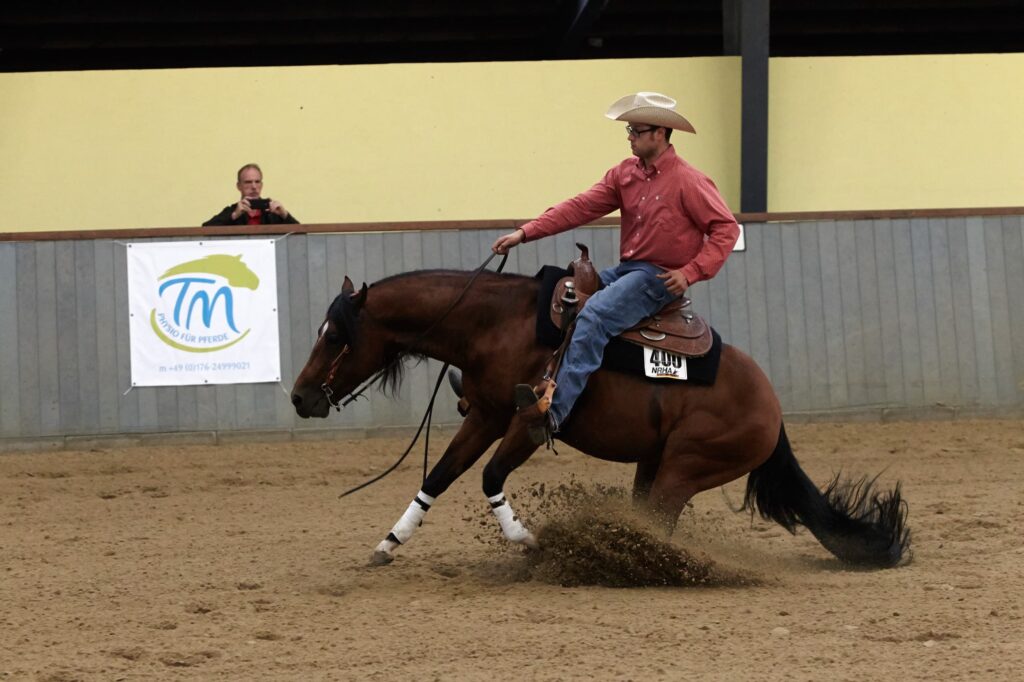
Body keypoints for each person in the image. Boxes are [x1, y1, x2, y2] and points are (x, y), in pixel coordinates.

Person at [492, 91, 740, 443]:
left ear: (660, 133)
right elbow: (580, 207)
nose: (630, 138)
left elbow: (725, 228)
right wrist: (525, 232)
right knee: (556, 291)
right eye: (629, 132)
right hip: (627, 270)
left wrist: (690, 272)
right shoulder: (624, 174)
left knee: (594, 317)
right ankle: (514, 385)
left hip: (655, 277)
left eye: (636, 132)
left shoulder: (689, 181)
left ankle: (556, 413)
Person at [203, 163, 299, 226]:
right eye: (248, 182)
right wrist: (234, 216)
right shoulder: (233, 211)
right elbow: (205, 229)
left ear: (261, 185)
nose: (254, 186)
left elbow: (301, 234)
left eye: (257, 182)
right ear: (238, 186)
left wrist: (284, 215)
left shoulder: (272, 212)